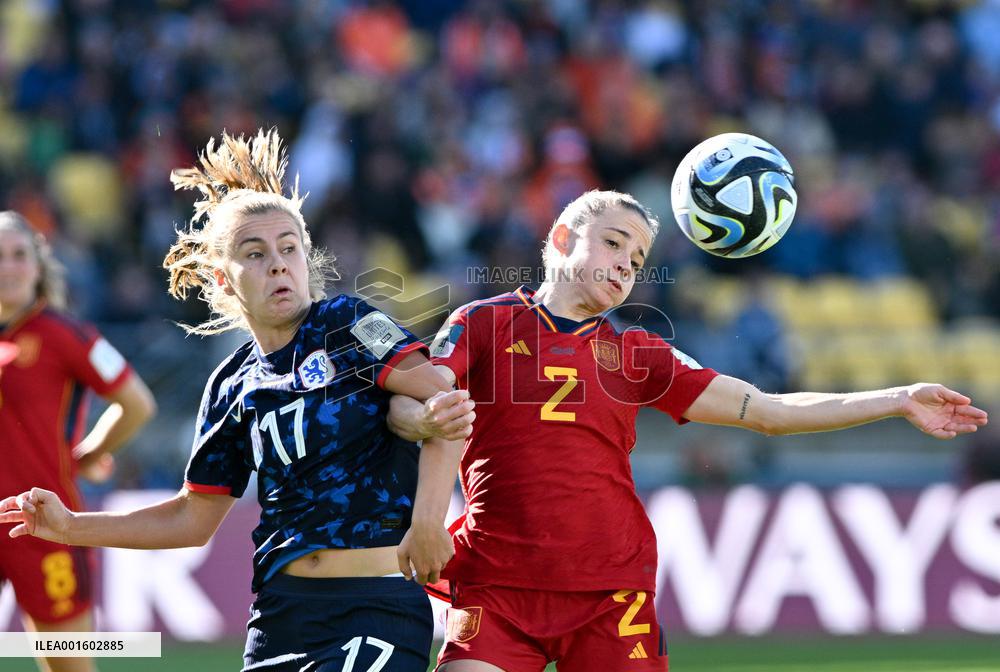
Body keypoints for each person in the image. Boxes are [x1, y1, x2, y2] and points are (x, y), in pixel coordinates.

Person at [387, 190, 989, 672]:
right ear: (564, 239)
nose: (625, 264)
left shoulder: (639, 353)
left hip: (610, 592)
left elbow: (769, 411)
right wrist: (418, 461)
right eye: (614, 243)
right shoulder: (485, 322)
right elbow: (427, 395)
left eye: (638, 259)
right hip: (496, 585)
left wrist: (896, 398)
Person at [1, 129, 473, 672]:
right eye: (256, 253)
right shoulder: (233, 383)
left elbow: (447, 405)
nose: (278, 264)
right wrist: (69, 526)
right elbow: (191, 518)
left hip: (374, 606)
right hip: (279, 615)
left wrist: (431, 521)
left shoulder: (345, 325)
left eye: (289, 248)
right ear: (224, 281)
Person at [0, 211, 157, 672]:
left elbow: (137, 404)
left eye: (18, 255)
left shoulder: (66, 335)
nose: (8, 266)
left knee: (66, 664)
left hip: (43, 525)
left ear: (38, 264)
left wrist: (91, 452)